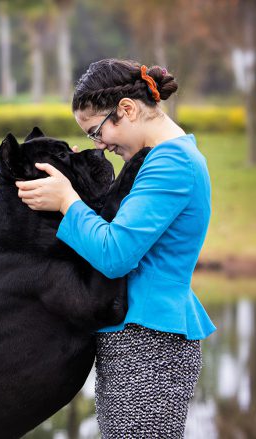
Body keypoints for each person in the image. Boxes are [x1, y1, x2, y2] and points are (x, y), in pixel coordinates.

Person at [15, 58, 216, 438]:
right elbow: (117, 231)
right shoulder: (159, 160)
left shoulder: (170, 163)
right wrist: (74, 183)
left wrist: (67, 201)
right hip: (140, 338)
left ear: (126, 109)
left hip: (150, 343)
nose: (100, 146)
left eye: (96, 132)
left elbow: (115, 253)